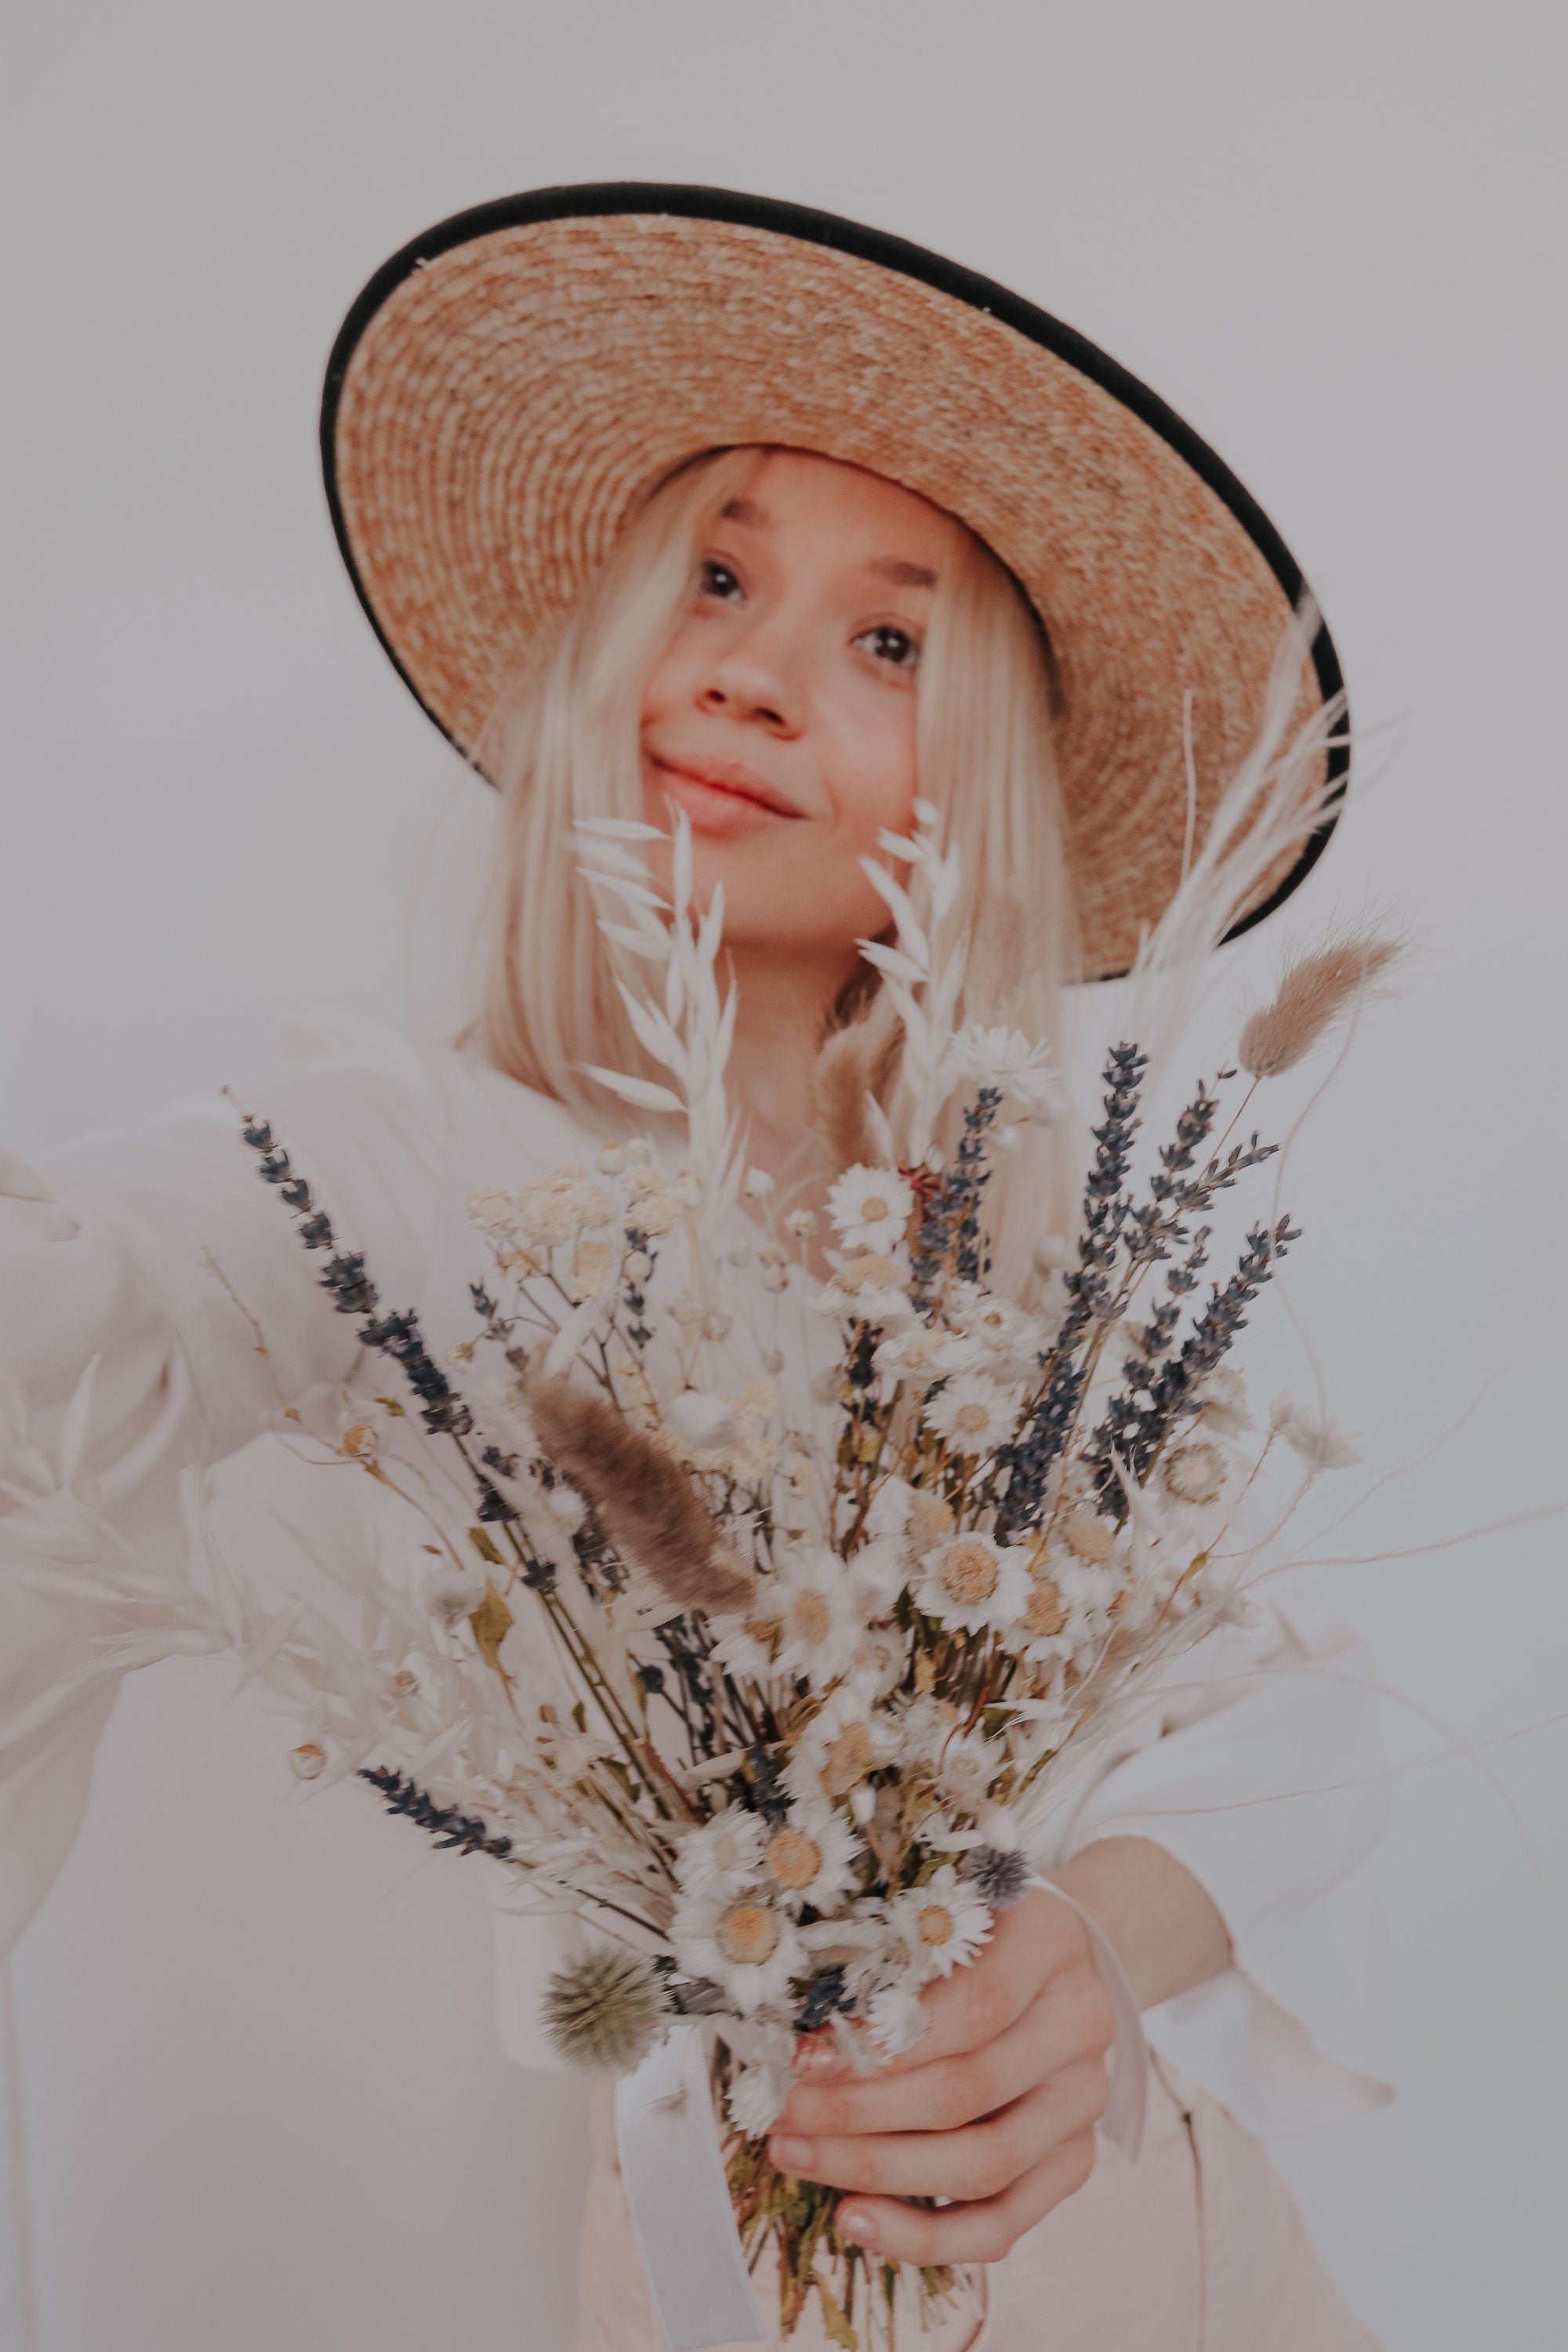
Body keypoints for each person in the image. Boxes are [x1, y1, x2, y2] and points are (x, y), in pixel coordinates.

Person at [2, 188, 1390, 2350]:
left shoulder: (1058, 1275)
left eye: (890, 641)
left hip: (1172, 2270)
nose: (750, 667)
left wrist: (1090, 1953)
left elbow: (1294, 1717)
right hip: (702, 2272)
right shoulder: (413, 1167)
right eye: (719, 576)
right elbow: (106, 1284)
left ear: (982, 785)